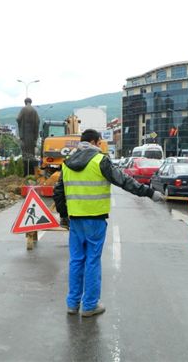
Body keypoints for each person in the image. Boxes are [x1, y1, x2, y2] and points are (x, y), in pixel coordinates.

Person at [54, 129, 164, 317]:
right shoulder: (100, 160)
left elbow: (59, 192)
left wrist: (64, 216)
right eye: (100, 143)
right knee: (92, 261)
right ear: (95, 142)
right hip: (95, 220)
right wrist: (149, 193)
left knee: (76, 260)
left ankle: (72, 304)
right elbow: (124, 181)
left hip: (76, 221)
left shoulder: (67, 163)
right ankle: (89, 306)